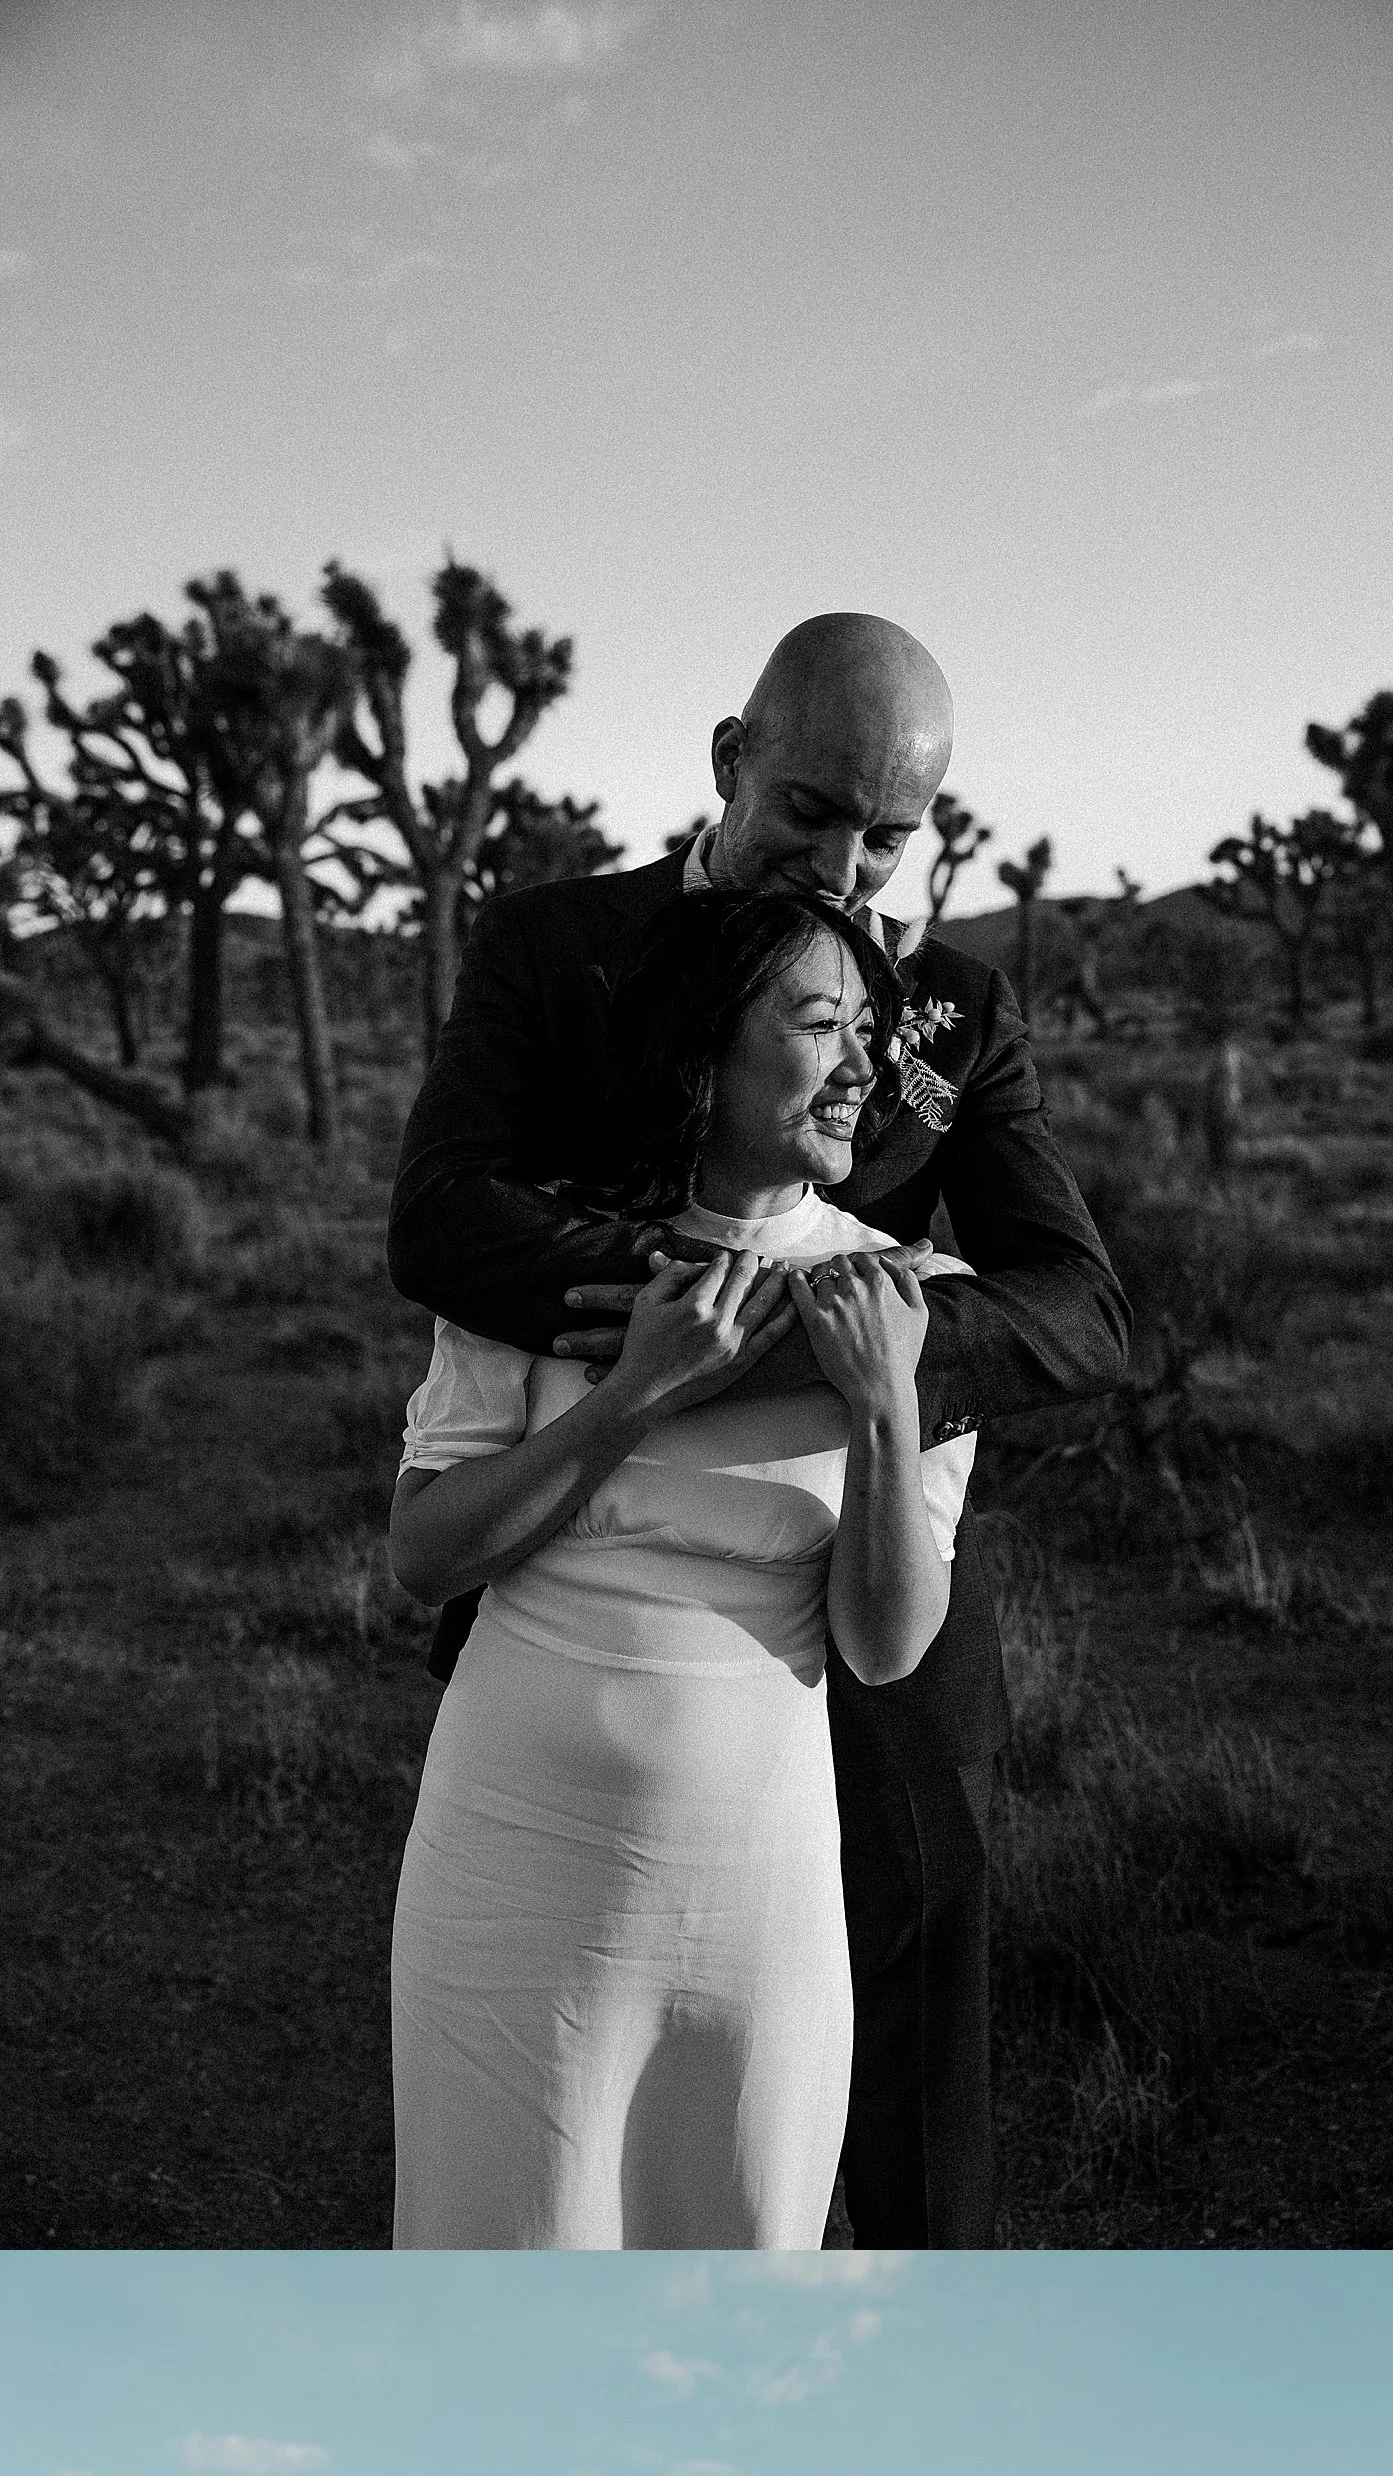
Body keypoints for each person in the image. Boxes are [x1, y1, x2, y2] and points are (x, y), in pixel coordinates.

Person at [388, 603, 1128, 2246]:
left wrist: (830, 1344)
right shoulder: (555, 942)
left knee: (917, 1972)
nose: (846, 863)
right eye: (811, 810)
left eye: (891, 834)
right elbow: (442, 1222)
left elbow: (1079, 1308)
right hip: (577, 1568)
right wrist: (691, 1322)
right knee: (558, 2057)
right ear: (731, 761)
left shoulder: (953, 1006)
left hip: (865, 1534)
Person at [388, 892, 982, 2251]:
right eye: (820, 1022)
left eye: (872, 1032)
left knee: (738, 2265)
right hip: (510, 1855)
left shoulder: (912, 1294)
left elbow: (885, 1647)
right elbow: (424, 1556)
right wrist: (634, 1397)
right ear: (705, 1052)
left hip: (756, 1876)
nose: (860, 1067)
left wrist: (887, 1404)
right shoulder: (539, 1259)